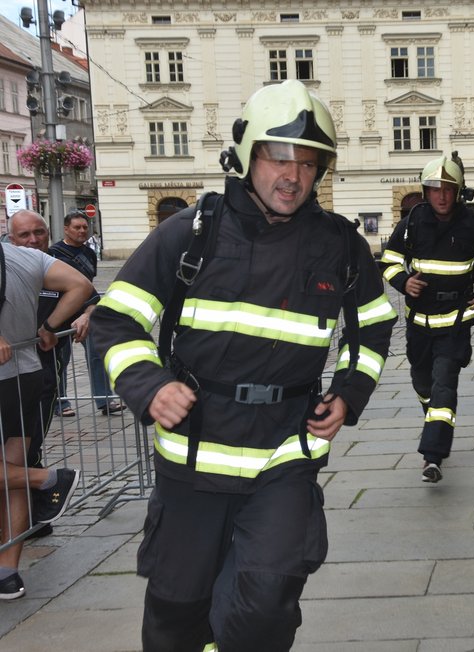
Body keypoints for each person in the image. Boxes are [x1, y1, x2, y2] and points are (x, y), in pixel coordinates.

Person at [90, 80, 396, 651]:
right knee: (177, 616)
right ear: (248, 155)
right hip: (193, 458)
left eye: (309, 163)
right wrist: (149, 384)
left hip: (283, 456)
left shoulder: (340, 244)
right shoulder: (190, 233)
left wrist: (350, 390)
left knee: (264, 606)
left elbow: (373, 324)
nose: (293, 175)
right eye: (279, 156)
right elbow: (116, 321)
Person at [379, 155, 474, 483]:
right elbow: (389, 261)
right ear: (425, 191)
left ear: (458, 192)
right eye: (435, 189)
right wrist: (403, 281)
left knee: (444, 386)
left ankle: (432, 456)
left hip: (455, 323)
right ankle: (434, 418)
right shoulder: (410, 223)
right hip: (418, 324)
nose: (441, 196)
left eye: (448, 189)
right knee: (423, 384)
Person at [0, 241, 90, 599]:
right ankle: (7, 572)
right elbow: (81, 285)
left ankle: (49, 478)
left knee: (15, 471)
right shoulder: (25, 257)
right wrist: (49, 325)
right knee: (12, 470)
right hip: (26, 373)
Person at [7, 210, 101, 540]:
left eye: (39, 232)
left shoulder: (57, 265)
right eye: (24, 235)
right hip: (10, 375)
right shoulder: (12, 266)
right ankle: (40, 498)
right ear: (10, 238)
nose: (33, 240)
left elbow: (90, 296)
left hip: (42, 374)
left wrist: (84, 316)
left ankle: (32, 519)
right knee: (16, 458)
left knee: (26, 452)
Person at [48, 210, 121, 417]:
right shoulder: (54, 253)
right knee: (61, 358)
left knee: (98, 352)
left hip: (86, 311)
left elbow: (89, 285)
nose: (82, 231)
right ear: (66, 229)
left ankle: (104, 399)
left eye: (84, 227)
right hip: (62, 312)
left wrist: (89, 309)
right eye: (77, 227)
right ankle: (59, 402)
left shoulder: (89, 253)